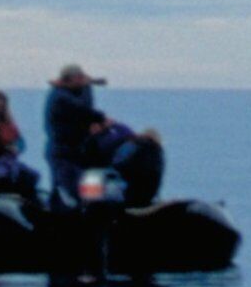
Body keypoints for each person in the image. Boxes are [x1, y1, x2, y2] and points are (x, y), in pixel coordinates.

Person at [43, 64, 165, 206]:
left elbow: (86, 109)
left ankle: (87, 212)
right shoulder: (59, 97)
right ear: (72, 79)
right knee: (70, 191)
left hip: (80, 155)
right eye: (81, 78)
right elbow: (83, 109)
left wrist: (86, 87)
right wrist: (98, 112)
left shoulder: (74, 94)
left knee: (86, 192)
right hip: (64, 154)